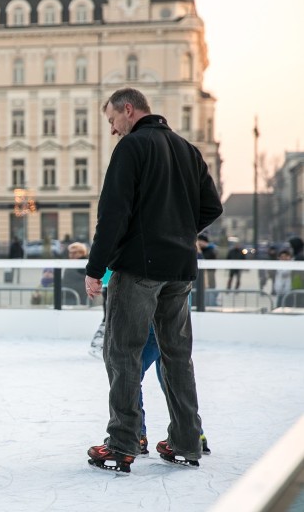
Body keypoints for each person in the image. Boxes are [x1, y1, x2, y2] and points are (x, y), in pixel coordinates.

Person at [84, 87, 222, 473]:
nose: (112, 129)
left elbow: (112, 214)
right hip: (180, 269)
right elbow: (212, 205)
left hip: (139, 269)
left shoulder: (132, 148)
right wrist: (177, 233)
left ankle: (122, 443)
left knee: (122, 352)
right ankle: (186, 441)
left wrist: (95, 269)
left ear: (129, 110)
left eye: (112, 120)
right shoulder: (187, 149)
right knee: (177, 356)